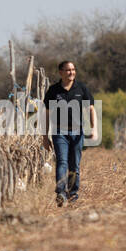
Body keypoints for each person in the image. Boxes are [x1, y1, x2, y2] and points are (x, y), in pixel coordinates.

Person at [41, 59, 96, 205]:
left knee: (75, 165)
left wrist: (94, 129)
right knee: (62, 162)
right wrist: (44, 137)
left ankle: (72, 195)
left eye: (73, 69)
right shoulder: (53, 90)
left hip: (78, 132)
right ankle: (60, 193)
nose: (71, 72)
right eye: (67, 70)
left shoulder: (81, 88)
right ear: (61, 72)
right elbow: (46, 114)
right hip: (59, 132)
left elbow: (91, 109)